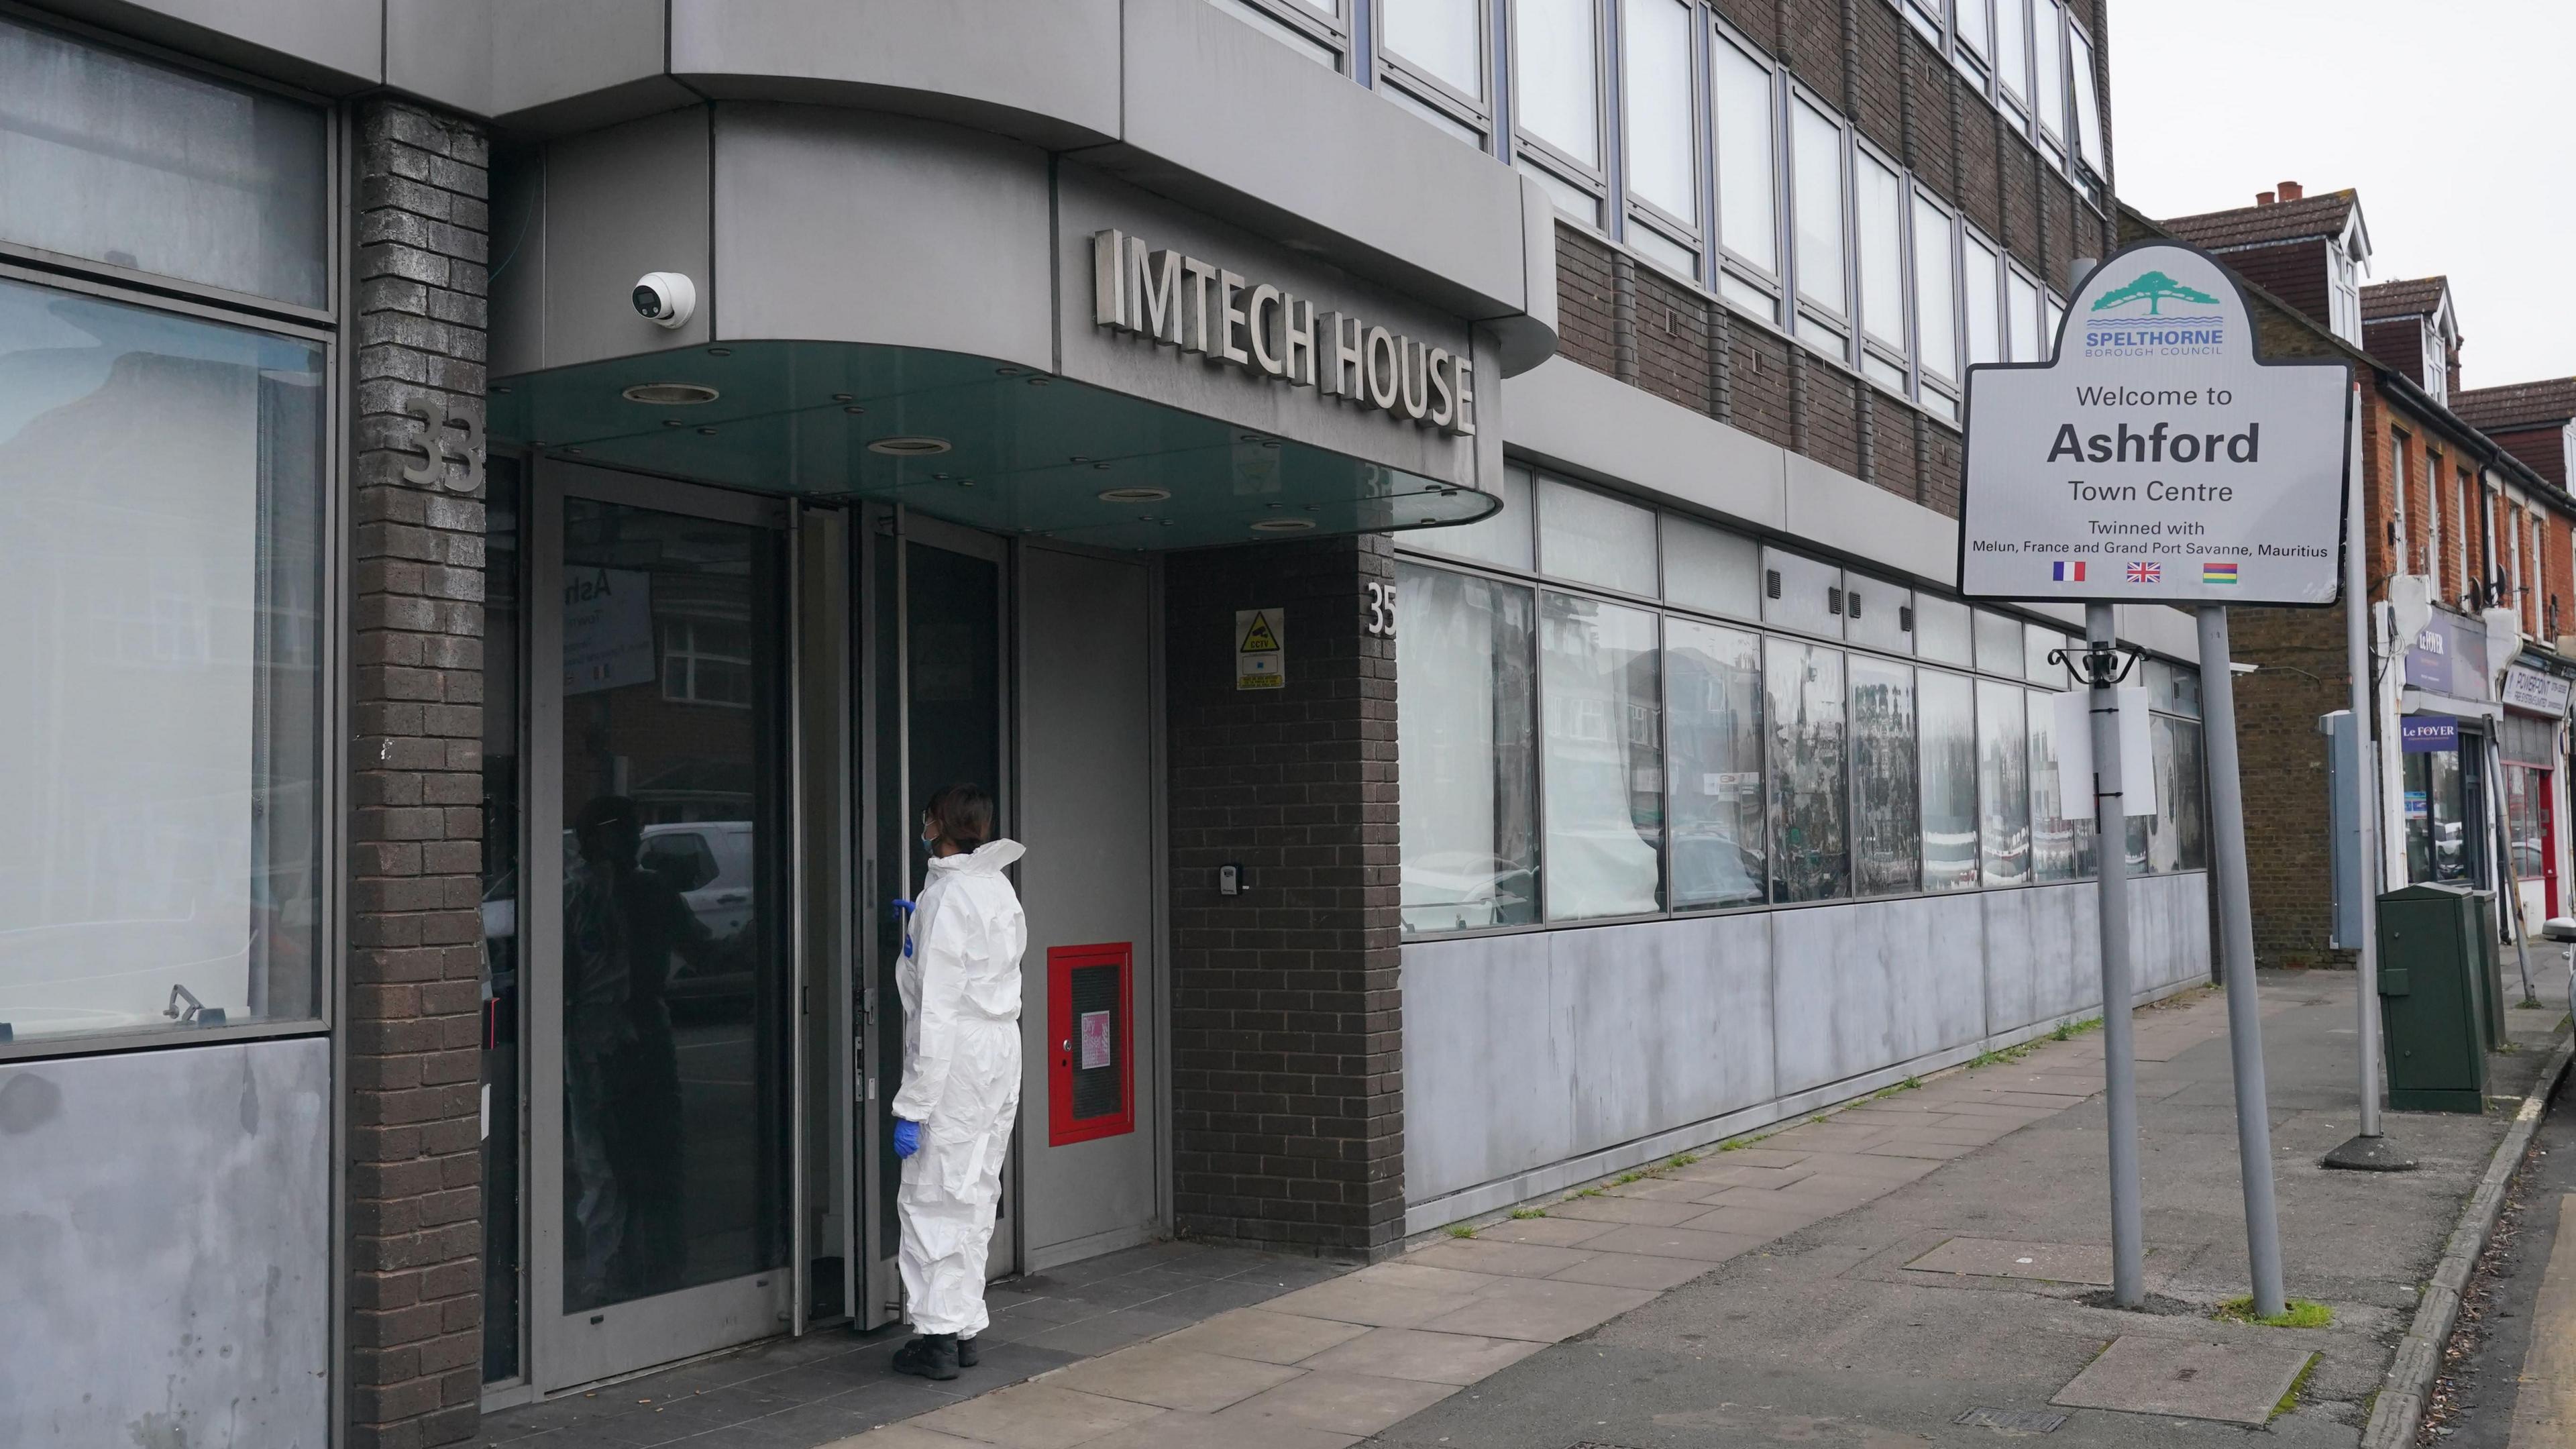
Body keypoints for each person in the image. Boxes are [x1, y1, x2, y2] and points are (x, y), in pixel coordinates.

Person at [890, 784, 1026, 1381]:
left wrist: (913, 1104)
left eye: (927, 818)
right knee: (975, 1189)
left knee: (934, 1190)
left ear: (938, 824)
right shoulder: (997, 886)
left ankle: (937, 1338)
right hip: (1001, 1045)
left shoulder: (946, 898)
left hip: (961, 1051)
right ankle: (965, 1323)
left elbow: (937, 1009)